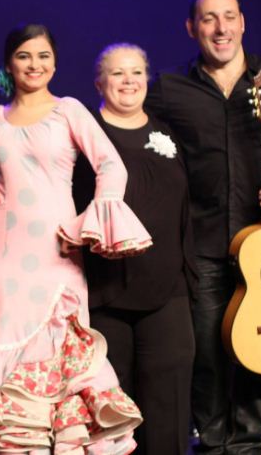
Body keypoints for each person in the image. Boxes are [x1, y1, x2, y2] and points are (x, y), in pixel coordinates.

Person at [0, 24, 150, 454]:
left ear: (56, 62)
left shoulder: (69, 110)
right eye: (25, 56)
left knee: (60, 352)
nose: (35, 64)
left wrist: (91, 221)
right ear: (9, 64)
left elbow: (112, 166)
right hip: (1, 254)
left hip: (57, 250)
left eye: (44, 55)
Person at [146, 0, 261, 454]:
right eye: (209, 19)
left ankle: (246, 441)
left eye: (229, 17)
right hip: (203, 243)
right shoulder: (169, 89)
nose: (221, 28)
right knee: (207, 353)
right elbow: (124, 127)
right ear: (192, 28)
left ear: (243, 22)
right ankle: (212, 443)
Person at [75, 43, 197, 454]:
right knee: (112, 414)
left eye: (137, 72)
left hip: (168, 291)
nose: (128, 81)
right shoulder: (85, 136)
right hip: (104, 295)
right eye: (117, 73)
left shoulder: (168, 134)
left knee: (169, 405)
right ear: (99, 82)